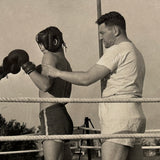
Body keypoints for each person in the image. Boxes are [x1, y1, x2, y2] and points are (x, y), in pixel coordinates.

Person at [43, 12, 146, 160]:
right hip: (135, 115)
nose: (100, 37)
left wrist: (56, 72)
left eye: (103, 32)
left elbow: (87, 78)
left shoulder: (118, 49)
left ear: (115, 31)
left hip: (119, 117)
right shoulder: (135, 51)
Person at [4, 26, 73, 160]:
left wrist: (26, 66)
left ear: (54, 41)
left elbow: (45, 85)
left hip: (51, 115)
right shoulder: (66, 63)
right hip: (62, 116)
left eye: (42, 43)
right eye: (39, 44)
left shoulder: (49, 56)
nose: (41, 47)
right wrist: (36, 70)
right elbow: (64, 94)